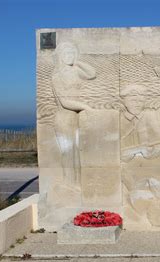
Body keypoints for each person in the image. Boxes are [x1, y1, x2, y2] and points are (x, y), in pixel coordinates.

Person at [52, 42, 96, 186]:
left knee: (77, 153)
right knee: (68, 152)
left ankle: (76, 183)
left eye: (72, 53)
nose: (69, 56)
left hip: (75, 117)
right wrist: (86, 107)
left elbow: (92, 74)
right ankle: (68, 183)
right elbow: (65, 102)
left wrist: (78, 62)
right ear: (60, 57)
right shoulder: (57, 76)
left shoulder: (75, 71)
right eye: (66, 54)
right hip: (64, 118)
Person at [120, 85, 160, 161]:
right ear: (125, 102)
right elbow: (113, 149)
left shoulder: (151, 117)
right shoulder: (118, 119)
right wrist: (138, 149)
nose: (137, 104)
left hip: (150, 164)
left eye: (141, 101)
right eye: (133, 101)